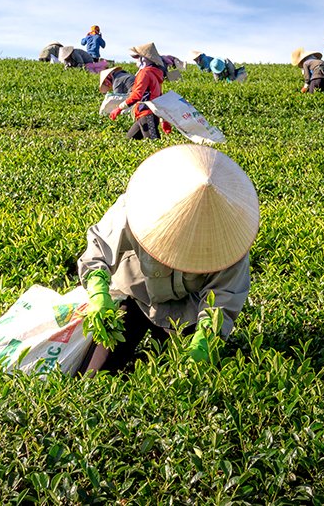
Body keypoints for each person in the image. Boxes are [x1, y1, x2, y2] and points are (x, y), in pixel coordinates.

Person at [76, 144, 260, 376]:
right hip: (134, 297)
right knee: (93, 376)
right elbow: (100, 248)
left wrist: (205, 338)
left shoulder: (231, 240)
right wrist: (98, 291)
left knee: (187, 380)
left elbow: (224, 296)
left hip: (186, 309)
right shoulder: (135, 206)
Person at [109, 43, 166, 140]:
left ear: (144, 59)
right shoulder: (155, 74)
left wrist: (119, 108)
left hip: (147, 114)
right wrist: (163, 119)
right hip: (143, 115)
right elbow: (160, 97)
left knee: (154, 144)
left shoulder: (145, 73)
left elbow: (137, 94)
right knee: (128, 141)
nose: (137, 61)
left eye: (138, 58)